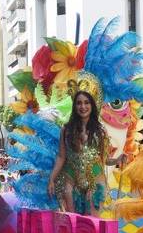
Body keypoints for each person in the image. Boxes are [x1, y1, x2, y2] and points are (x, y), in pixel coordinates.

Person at [48, 88, 112, 216]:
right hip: (71, 180)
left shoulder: (101, 131)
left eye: (86, 102)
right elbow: (61, 156)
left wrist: (119, 159)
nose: (83, 106)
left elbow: (105, 158)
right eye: (79, 103)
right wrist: (52, 179)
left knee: (92, 222)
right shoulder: (66, 130)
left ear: (92, 106)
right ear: (75, 107)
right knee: (73, 221)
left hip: (95, 180)